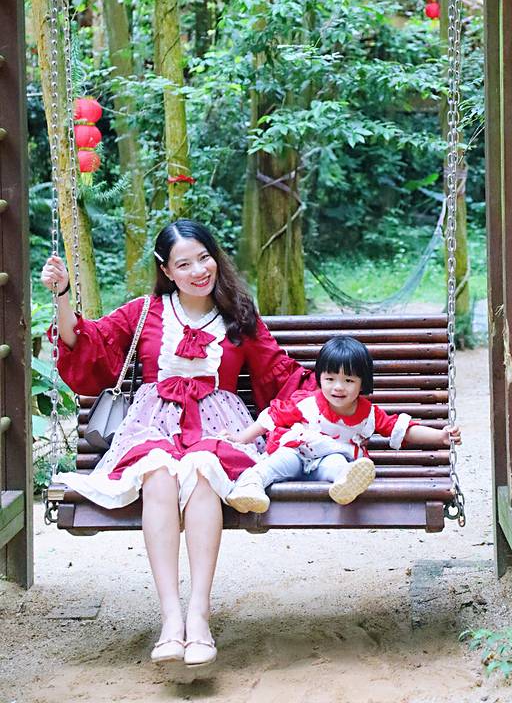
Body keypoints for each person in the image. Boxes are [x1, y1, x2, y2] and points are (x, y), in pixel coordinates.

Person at [41, 219, 314, 671]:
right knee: (159, 473)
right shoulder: (145, 312)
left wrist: (333, 405)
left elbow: (278, 373)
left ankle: (199, 617)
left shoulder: (238, 316)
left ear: (215, 257)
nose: (198, 271)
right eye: (183, 264)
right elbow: (89, 347)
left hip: (218, 428)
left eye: (204, 258)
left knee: (204, 471)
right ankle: (171, 619)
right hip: (154, 424)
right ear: (166, 270)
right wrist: (63, 295)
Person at [224, 335, 461, 514]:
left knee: (337, 462)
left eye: (348, 380)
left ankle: (345, 484)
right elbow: (271, 418)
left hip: (329, 461)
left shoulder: (368, 414)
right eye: (330, 379)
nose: (338, 387)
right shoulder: (307, 403)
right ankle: (250, 487)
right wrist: (241, 439)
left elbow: (402, 429)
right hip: (299, 453)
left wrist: (440, 436)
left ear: (362, 383)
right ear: (320, 378)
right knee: (279, 460)